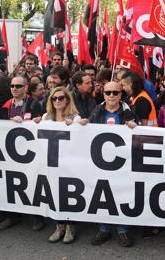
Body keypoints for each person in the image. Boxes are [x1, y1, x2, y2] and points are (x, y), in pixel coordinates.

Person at [86, 81, 136, 247]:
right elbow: (86, 133)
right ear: (104, 94)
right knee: (102, 195)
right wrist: (81, 125)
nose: (112, 96)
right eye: (108, 93)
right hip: (100, 163)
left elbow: (139, 134)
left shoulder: (128, 111)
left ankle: (122, 229)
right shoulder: (97, 111)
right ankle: (104, 228)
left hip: (122, 163)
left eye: (115, 92)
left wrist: (135, 126)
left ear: (121, 95)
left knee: (121, 194)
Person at [0, 75, 44, 231]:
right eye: (12, 86)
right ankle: (12, 216)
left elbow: (42, 125)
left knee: (32, 183)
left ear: (25, 88)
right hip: (10, 151)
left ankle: (38, 217)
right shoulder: (5, 105)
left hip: (30, 151)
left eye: (18, 86)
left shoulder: (34, 104)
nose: (14, 89)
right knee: (11, 183)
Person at [42, 86, 81, 244]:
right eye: (54, 98)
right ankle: (59, 226)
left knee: (67, 194)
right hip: (51, 164)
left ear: (67, 100)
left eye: (61, 98)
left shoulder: (76, 118)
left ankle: (70, 227)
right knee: (54, 194)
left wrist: (78, 126)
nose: (57, 101)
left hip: (69, 164)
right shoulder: (45, 117)